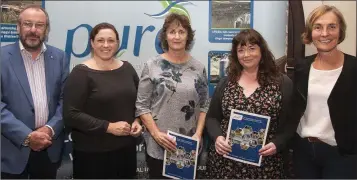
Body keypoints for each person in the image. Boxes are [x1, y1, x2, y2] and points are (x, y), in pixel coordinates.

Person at [202, 29, 293, 179]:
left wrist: (277, 143)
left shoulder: (282, 83)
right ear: (235, 55)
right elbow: (212, 118)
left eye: (252, 48)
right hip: (225, 163)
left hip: (265, 164)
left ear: (262, 51)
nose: (246, 54)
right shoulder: (226, 83)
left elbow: (290, 123)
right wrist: (217, 137)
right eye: (241, 50)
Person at [63, 22, 142, 179]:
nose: (106, 45)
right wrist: (108, 127)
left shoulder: (128, 68)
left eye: (111, 40)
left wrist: (138, 121)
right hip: (92, 154)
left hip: (126, 151)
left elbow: (140, 103)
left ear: (118, 43)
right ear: (92, 43)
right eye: (100, 40)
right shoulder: (81, 73)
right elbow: (70, 114)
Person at [286, 5, 357, 178]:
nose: (325, 33)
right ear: (310, 33)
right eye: (318, 27)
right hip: (304, 152)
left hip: (342, 155)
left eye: (332, 27)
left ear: (340, 32)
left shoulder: (354, 68)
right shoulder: (302, 67)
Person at [135, 13, 209, 179]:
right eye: (172, 32)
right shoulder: (151, 65)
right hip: (159, 145)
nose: (177, 36)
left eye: (181, 32)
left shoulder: (198, 68)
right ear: (165, 36)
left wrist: (198, 134)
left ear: (188, 36)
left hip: (189, 146)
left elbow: (204, 105)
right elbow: (141, 106)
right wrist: (155, 134)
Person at [1, 5, 69, 179]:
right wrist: (27, 136)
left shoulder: (60, 57)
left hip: (49, 147)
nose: (33, 30)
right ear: (18, 27)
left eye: (39, 25)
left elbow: (66, 100)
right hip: (11, 150)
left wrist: (49, 129)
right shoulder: (2, 57)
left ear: (46, 30)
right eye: (27, 24)